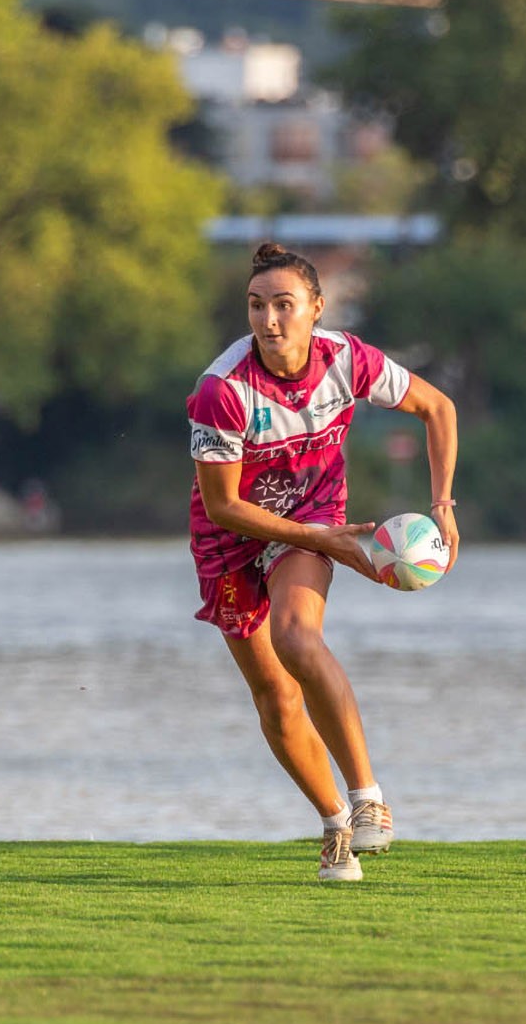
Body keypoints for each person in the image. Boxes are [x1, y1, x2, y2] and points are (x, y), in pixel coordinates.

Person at [189, 243, 459, 882]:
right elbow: (223, 506)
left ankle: (370, 800)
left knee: (296, 637)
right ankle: (335, 823)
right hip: (231, 535)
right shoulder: (221, 391)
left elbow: (437, 408)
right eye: (257, 306)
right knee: (276, 699)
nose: (269, 320)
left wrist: (443, 503)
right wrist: (330, 542)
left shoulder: (347, 361)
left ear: (316, 308)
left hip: (310, 517)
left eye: (285, 305)